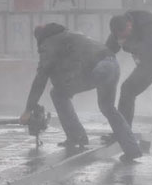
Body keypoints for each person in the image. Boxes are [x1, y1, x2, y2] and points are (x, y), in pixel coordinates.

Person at [20, 23, 142, 163]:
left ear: (40, 38)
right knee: (108, 108)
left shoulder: (49, 43)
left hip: (98, 68)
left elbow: (41, 78)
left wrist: (28, 109)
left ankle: (76, 136)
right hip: (112, 64)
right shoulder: (72, 35)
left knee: (57, 94)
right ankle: (132, 150)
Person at [106, 11, 152, 161]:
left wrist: (126, 46)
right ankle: (123, 135)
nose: (122, 39)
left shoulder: (148, 23)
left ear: (129, 25)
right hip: (151, 62)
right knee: (127, 89)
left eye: (125, 35)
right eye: (120, 37)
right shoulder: (118, 28)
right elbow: (108, 50)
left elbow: (149, 50)